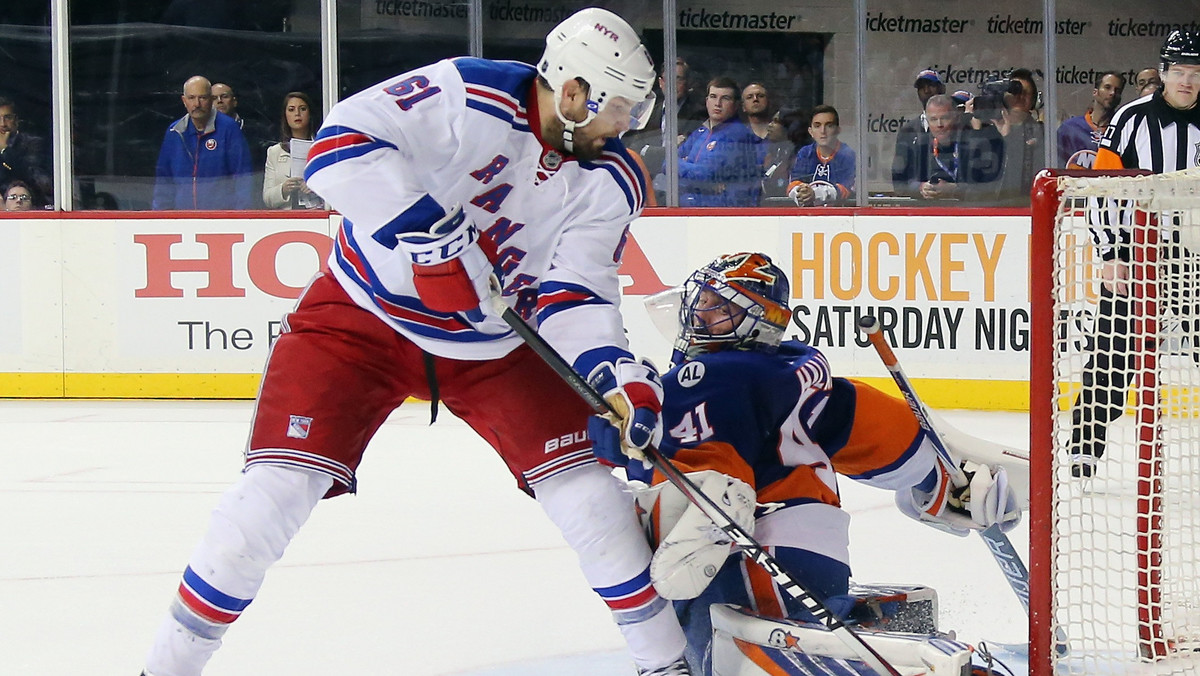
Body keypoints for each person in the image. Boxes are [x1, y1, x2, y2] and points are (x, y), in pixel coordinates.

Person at [137, 8, 695, 676]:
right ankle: (165, 669)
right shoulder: (470, 93)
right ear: (574, 92)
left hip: (497, 347)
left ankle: (669, 665)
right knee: (266, 504)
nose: (627, 129)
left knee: (593, 504)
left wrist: (615, 376)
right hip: (362, 314)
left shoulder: (613, 179)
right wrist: (429, 232)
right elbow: (339, 148)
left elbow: (577, 294)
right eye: (623, 111)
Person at [597, 252, 1020, 674]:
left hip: (753, 547)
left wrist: (626, 443)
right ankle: (869, 624)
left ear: (758, 319)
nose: (700, 315)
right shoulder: (793, 373)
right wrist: (938, 480)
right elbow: (879, 432)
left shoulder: (710, 375)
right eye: (701, 302)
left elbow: (714, 478)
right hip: (820, 552)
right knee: (799, 629)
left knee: (712, 659)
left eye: (718, 306)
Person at [1069, 30, 1200, 478]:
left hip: (1193, 251)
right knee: (1112, 349)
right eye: (1180, 71)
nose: (1187, 81)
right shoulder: (1132, 119)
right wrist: (1109, 252)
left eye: (1196, 73)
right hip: (1136, 250)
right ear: (1163, 73)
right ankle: (1086, 447)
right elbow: (1103, 190)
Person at [152, 75, 255, 210]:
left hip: (220, 219)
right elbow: (164, 180)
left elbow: (243, 177)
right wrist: (160, 217)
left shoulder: (229, 128)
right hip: (182, 219)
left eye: (202, 98)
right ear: (184, 100)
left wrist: (241, 217)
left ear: (211, 99)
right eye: (191, 98)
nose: (197, 104)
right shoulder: (174, 131)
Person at [892, 94, 1003, 201]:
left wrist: (955, 190)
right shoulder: (921, 144)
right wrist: (920, 187)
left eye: (945, 118)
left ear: (956, 117)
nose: (939, 125)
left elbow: (990, 190)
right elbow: (901, 183)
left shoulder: (976, 142)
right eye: (933, 119)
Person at [677, 77, 762, 207]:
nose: (718, 103)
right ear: (706, 101)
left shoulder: (737, 134)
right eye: (713, 96)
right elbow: (667, 163)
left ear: (736, 105)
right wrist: (701, 180)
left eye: (725, 98)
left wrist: (684, 164)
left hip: (724, 212)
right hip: (692, 208)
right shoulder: (701, 131)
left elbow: (706, 173)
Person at [987, 68, 1045, 206]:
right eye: (1015, 91)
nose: (1020, 97)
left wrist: (1009, 138)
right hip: (989, 207)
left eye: (1026, 93)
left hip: (1021, 208)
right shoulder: (988, 129)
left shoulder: (1041, 132)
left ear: (1034, 100)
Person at [262, 91, 324, 209]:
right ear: (285, 115)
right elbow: (267, 198)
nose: (297, 114)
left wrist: (316, 187)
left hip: (317, 216)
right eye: (291, 109)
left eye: (303, 109)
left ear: (310, 113)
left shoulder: (322, 148)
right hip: (287, 219)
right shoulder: (275, 152)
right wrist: (283, 189)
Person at [787, 104, 855, 206]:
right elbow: (793, 183)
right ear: (811, 131)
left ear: (838, 130)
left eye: (829, 125)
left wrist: (815, 194)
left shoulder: (847, 154)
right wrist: (800, 193)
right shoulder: (805, 153)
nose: (823, 131)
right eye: (817, 126)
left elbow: (846, 188)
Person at [1057, 71, 1126, 169]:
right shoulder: (1069, 128)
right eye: (1107, 87)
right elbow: (1057, 166)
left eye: (1118, 90)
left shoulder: (1122, 131)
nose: (1112, 93)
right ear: (1095, 92)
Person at [891, 69, 946, 190]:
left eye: (931, 85)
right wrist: (920, 187)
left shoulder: (955, 127)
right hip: (917, 204)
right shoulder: (908, 131)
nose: (926, 90)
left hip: (951, 204)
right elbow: (898, 180)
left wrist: (950, 188)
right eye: (922, 87)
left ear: (942, 89)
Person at [0, 97, 52, 206]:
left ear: (16, 120)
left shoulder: (32, 144)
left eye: (7, 117)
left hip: (25, 207)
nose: (2, 124)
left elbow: (35, 179)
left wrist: (5, 150)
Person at [759, 108, 809, 201]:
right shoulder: (774, 154)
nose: (770, 125)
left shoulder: (802, 157)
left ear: (790, 126)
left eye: (776, 122)